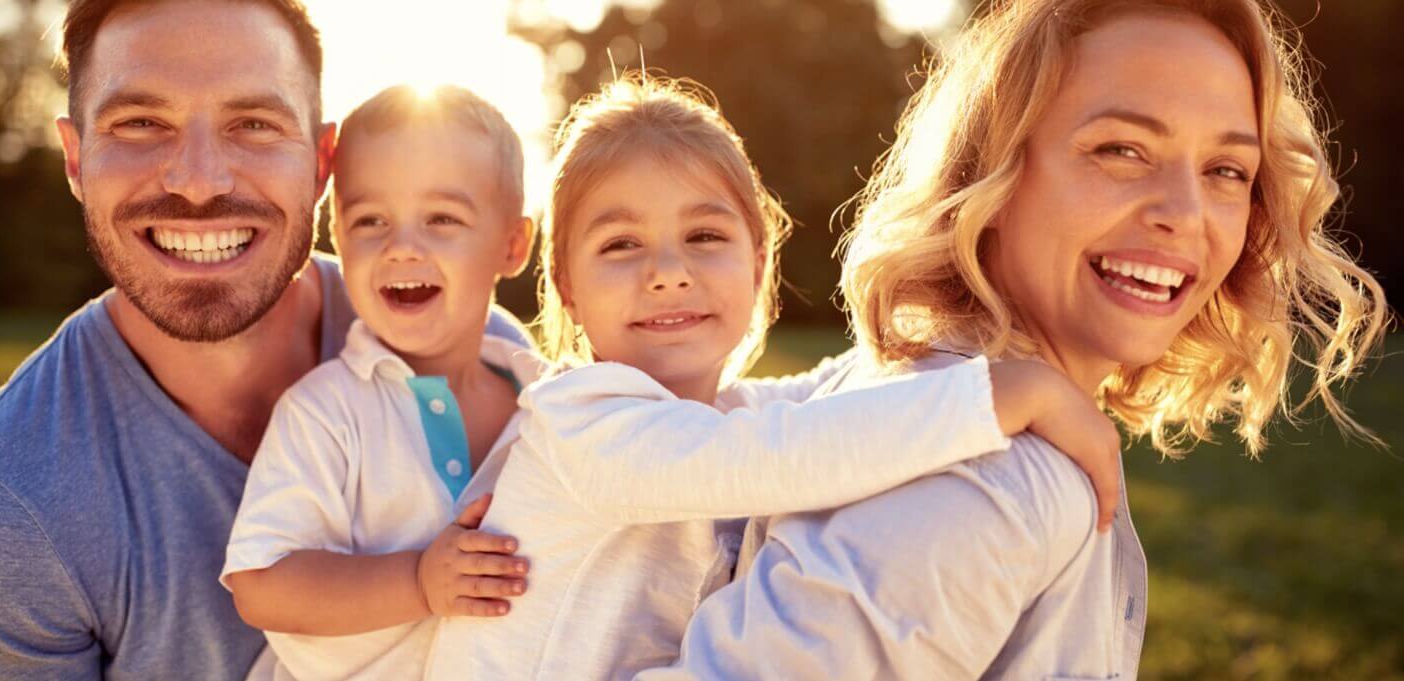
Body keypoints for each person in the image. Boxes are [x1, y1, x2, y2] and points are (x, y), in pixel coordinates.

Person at [642, 0, 1388, 679]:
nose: (1185, 212)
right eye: (1121, 150)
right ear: (993, 171)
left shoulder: (892, 386)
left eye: (1227, 169)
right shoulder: (988, 481)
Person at [426, 74, 1122, 681]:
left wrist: (958, 337)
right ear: (567, 287)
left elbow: (824, 392)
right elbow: (786, 449)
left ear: (759, 263)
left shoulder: (717, 411)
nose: (668, 269)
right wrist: (1004, 396)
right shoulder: (582, 420)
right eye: (621, 244)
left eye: (704, 236)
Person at [0, 3, 527, 680]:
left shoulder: (467, 340)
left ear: (323, 162)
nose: (200, 180)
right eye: (141, 123)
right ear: (77, 157)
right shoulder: (5, 507)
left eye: (254, 124)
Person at [219, 84, 543, 681]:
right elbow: (261, 585)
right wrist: (418, 581)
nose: (401, 247)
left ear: (512, 244)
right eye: (371, 220)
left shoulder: (548, 406)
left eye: (442, 218)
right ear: (336, 239)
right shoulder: (327, 412)